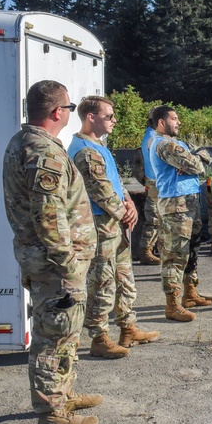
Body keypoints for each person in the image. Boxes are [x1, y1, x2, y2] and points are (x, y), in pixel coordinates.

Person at [2, 80, 100, 424]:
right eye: (70, 108)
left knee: (64, 332)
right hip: (54, 265)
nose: (70, 114)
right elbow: (49, 216)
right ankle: (51, 413)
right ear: (57, 112)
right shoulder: (41, 152)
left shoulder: (27, 143)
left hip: (47, 262)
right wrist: (68, 265)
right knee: (53, 336)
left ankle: (63, 393)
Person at [68, 95, 159, 359]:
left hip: (113, 222)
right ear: (91, 118)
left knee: (124, 277)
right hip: (100, 224)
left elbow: (115, 181)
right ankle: (99, 337)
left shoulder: (98, 145)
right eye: (109, 116)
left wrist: (129, 202)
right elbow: (101, 192)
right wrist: (125, 213)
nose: (114, 121)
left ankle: (128, 328)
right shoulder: (85, 151)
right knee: (102, 282)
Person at [150, 105, 212, 322]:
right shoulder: (165, 144)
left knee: (191, 251)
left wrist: (195, 159)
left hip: (189, 204)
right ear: (161, 122)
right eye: (174, 118)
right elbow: (197, 165)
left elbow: (205, 155)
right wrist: (194, 160)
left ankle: (190, 293)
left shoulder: (179, 143)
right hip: (176, 206)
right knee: (175, 256)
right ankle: (172, 304)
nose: (179, 122)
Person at [138, 109, 162, 265]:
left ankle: (152, 249)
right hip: (155, 183)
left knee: (157, 219)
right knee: (153, 219)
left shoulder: (151, 136)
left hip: (154, 182)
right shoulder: (153, 139)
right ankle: (146, 250)